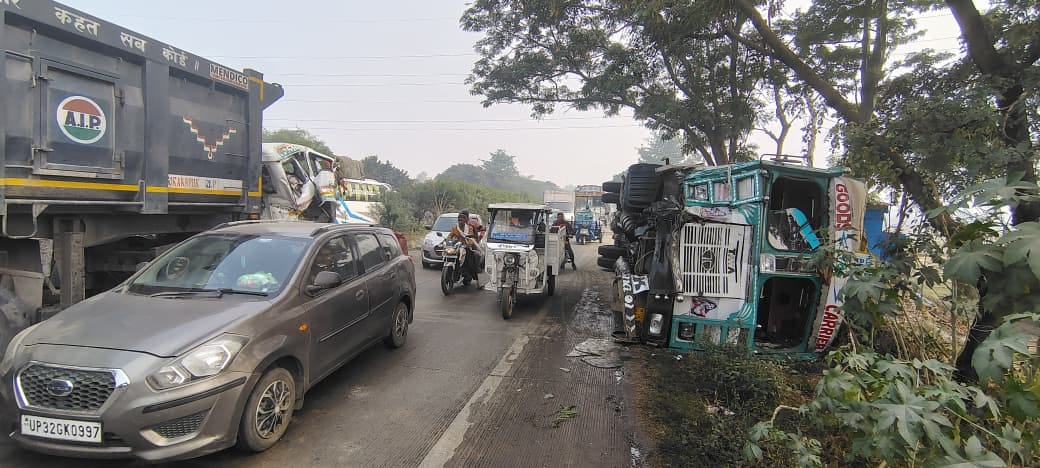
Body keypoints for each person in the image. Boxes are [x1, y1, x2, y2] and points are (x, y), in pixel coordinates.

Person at [449, 212, 481, 280]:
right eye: (459, 220)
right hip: (458, 246)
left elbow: (471, 238)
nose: (460, 221)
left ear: (465, 220)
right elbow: (450, 236)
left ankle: (468, 273)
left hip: (467, 246)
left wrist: (468, 243)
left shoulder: (469, 228)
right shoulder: (455, 228)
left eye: (462, 220)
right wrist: (445, 241)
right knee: (451, 254)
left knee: (470, 257)